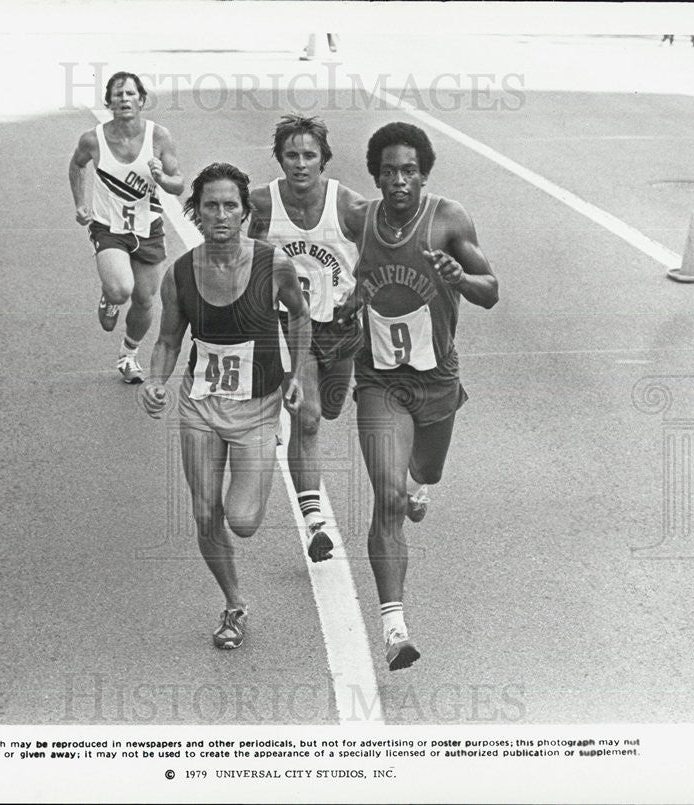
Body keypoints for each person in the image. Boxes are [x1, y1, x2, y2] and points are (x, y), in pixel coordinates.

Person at [346, 122, 498, 670]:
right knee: (387, 499)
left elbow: (492, 292)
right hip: (380, 381)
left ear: (424, 174)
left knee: (425, 474)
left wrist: (459, 278)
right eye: (388, 171)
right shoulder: (360, 220)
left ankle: (417, 483)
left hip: (436, 381)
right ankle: (394, 628)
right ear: (376, 176)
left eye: (409, 170)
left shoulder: (448, 219)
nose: (399, 180)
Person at [141, 162, 311, 650]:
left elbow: (299, 317)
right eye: (210, 205)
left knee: (244, 521)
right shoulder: (180, 273)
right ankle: (234, 603)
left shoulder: (273, 264)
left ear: (244, 214)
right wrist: (155, 380)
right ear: (196, 213)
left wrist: (296, 374)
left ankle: (263, 449)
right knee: (203, 511)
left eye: (230, 205)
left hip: (258, 407)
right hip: (201, 404)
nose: (220, 214)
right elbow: (169, 339)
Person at [248, 115, 367, 563]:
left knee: (332, 409)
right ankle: (315, 521)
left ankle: (288, 410)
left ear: (324, 160)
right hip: (286, 324)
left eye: (309, 155)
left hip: (338, 326)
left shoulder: (349, 206)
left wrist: (364, 288)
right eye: (291, 155)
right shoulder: (260, 203)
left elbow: (382, 249)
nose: (300, 164)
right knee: (311, 417)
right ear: (279, 159)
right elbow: (234, 247)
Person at [69, 71, 184, 383]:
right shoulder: (93, 139)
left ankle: (128, 356)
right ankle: (110, 295)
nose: (124, 99)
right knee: (122, 289)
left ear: (141, 100)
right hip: (108, 227)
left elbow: (179, 185)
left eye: (130, 94)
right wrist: (81, 202)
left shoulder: (158, 137)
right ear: (109, 103)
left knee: (146, 300)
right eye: (118, 95)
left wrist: (162, 178)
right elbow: (77, 165)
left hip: (148, 228)